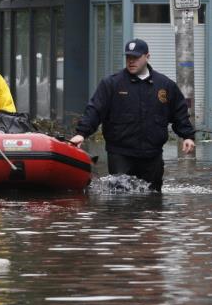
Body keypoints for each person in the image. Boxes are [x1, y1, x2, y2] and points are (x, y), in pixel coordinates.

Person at [70, 38, 195, 192]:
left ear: (147, 57)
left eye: (135, 57)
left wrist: (187, 136)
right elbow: (95, 110)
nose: (131, 61)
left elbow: (179, 112)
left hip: (152, 154)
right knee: (120, 199)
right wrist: (81, 133)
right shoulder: (111, 84)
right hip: (120, 154)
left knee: (152, 199)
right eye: (128, 57)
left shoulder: (165, 85)